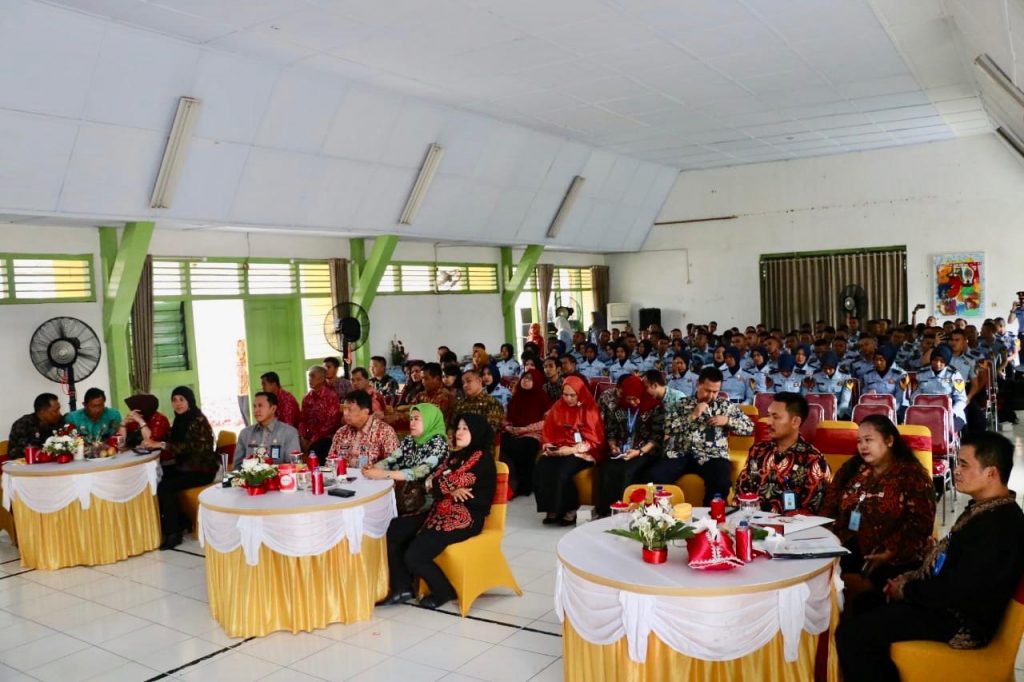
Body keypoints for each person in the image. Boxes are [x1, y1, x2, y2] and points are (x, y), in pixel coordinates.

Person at [836, 431, 1024, 682]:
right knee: (864, 602)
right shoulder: (987, 510)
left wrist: (907, 590)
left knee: (851, 635)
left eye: (964, 465)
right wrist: (909, 579)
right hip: (949, 603)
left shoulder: (1000, 526)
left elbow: (959, 589)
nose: (956, 471)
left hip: (959, 621)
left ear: (991, 473)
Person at [380, 413, 496, 609]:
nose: (459, 432)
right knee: (396, 528)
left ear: (477, 432)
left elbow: (442, 483)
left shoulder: (481, 458)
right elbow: (432, 480)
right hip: (439, 510)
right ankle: (402, 588)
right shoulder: (457, 455)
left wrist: (444, 486)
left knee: (415, 554)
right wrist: (447, 487)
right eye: (458, 428)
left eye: (465, 429)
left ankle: (443, 590)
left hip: (464, 517)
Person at [821, 415, 936, 601]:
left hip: (896, 557)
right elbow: (830, 502)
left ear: (889, 441)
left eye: (868, 440)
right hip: (848, 545)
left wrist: (890, 552)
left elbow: (921, 524)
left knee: (854, 588)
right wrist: (826, 533)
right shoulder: (852, 468)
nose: (862, 446)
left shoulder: (912, 476)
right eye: (859, 441)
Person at [646, 367, 754, 505]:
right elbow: (668, 428)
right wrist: (692, 415)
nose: (711, 396)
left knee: (721, 481)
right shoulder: (682, 404)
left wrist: (728, 421)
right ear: (698, 384)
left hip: (712, 456)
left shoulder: (725, 406)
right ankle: (667, 513)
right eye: (707, 390)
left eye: (715, 392)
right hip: (681, 454)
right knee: (654, 475)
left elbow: (750, 427)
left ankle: (710, 514)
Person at [734, 392, 830, 514]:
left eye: (776, 417)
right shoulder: (757, 451)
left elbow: (813, 512)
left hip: (793, 525)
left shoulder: (813, 461)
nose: (768, 422)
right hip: (751, 521)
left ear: (795, 421)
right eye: (768, 416)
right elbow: (741, 493)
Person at [533, 375, 605, 526]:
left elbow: (595, 441)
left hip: (582, 452)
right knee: (542, 466)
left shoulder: (589, 409)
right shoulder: (558, 406)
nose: (568, 399)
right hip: (559, 448)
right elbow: (548, 431)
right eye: (565, 394)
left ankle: (570, 509)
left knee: (562, 471)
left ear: (580, 393)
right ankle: (553, 509)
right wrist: (549, 446)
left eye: (572, 395)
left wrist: (571, 450)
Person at [156, 386, 217, 550]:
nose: (178, 404)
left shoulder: (198, 420)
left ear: (189, 401)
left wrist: (162, 445)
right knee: (160, 478)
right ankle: (180, 522)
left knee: (166, 487)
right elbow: (168, 438)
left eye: (181, 400)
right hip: (186, 467)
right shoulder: (179, 420)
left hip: (202, 469)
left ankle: (173, 534)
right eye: (174, 400)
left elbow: (192, 448)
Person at [595, 375, 665, 517]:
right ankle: (606, 511)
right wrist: (613, 446)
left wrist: (639, 452)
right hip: (622, 451)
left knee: (628, 470)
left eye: (635, 399)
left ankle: (626, 511)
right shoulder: (619, 408)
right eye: (629, 399)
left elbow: (656, 437)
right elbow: (611, 431)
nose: (632, 403)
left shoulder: (654, 407)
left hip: (645, 452)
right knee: (607, 468)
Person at [362, 404, 447, 500]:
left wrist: (383, 474)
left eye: (416, 419)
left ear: (430, 420)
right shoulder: (410, 439)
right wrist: (374, 467)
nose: (412, 423)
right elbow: (393, 459)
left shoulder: (439, 444)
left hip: (426, 497)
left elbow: (419, 472)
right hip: (404, 492)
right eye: (411, 419)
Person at [500, 368, 551, 497]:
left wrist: (524, 430)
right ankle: (510, 484)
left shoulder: (543, 398)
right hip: (514, 431)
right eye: (524, 377)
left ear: (537, 381)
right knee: (502, 443)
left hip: (533, 433)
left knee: (526, 446)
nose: (526, 381)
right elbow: (505, 418)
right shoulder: (516, 396)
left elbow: (546, 422)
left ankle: (524, 486)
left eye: (530, 379)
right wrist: (508, 427)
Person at [327, 389, 401, 468]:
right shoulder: (342, 432)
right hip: (343, 475)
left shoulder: (385, 432)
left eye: (350, 410)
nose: (345, 413)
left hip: (372, 475)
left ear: (365, 411)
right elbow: (330, 461)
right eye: (344, 409)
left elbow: (394, 464)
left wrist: (374, 469)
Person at [234, 391, 301, 467]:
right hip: (249, 475)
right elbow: (237, 466)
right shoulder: (245, 433)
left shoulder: (289, 432)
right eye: (254, 406)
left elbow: (293, 465)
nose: (256, 410)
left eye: (260, 406)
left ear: (273, 409)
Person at [910, 343, 968, 431]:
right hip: (925, 413)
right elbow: (915, 396)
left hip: (951, 414)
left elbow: (961, 399)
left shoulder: (955, 376)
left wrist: (952, 413)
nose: (938, 363)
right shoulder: (922, 373)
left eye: (942, 361)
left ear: (947, 361)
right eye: (935, 360)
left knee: (946, 430)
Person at [299, 365, 342, 456]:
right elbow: (302, 419)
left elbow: (331, 423)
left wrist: (313, 439)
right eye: (309, 376)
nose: (309, 379)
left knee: (317, 447)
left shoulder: (331, 396)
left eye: (312, 376)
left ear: (322, 379)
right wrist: (302, 437)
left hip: (326, 437)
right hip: (310, 437)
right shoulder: (307, 397)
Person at [7, 393, 62, 459]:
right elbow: (22, 452)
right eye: (56, 411)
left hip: (49, 462)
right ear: (42, 412)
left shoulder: (58, 421)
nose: (59, 413)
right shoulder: (25, 424)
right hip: (22, 463)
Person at [450, 369, 504, 434]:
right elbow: (452, 426)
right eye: (463, 383)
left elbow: (490, 430)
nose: (465, 385)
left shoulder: (492, 403)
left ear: (479, 381)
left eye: (468, 381)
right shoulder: (460, 404)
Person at [809, 352, 854, 420]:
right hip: (821, 410)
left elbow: (845, 401)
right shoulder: (815, 376)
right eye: (824, 368)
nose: (827, 371)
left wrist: (836, 415)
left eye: (830, 368)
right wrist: (821, 413)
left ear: (835, 366)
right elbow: (815, 397)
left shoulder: (847, 376)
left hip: (840, 411)